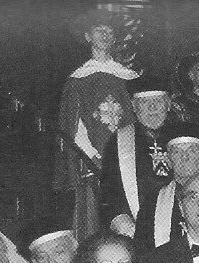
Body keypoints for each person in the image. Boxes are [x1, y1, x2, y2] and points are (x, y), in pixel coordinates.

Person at [55, 7, 138, 240]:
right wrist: (93, 156)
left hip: (128, 159)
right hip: (93, 162)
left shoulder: (128, 77)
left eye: (109, 32)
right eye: (99, 30)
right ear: (88, 36)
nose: (105, 35)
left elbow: (135, 119)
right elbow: (74, 127)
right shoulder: (77, 80)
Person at [99, 76, 174, 237]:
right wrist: (123, 224)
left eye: (158, 101)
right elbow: (109, 192)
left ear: (168, 104)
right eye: (145, 102)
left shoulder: (183, 138)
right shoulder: (118, 142)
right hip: (134, 230)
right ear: (133, 106)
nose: (152, 107)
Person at [134, 123, 199, 251]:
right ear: (168, 160)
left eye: (192, 151)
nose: (184, 157)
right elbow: (142, 250)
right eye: (177, 152)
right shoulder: (153, 201)